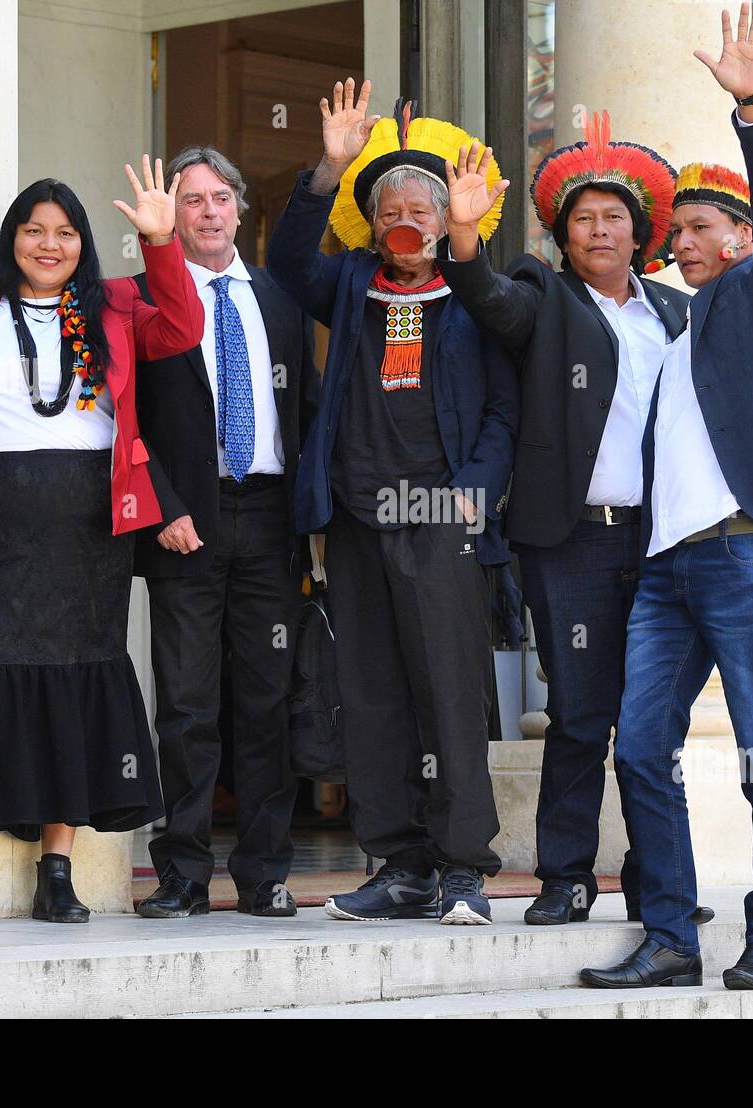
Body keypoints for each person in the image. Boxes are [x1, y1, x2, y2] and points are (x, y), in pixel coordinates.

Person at [0, 158, 203, 925]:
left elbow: (184, 327)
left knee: (79, 680)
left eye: (65, 233)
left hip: (90, 522)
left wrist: (162, 244)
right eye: (35, 230)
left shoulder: (117, 306)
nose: (49, 244)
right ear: (13, 238)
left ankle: (58, 869)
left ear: (83, 245)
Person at [580, 3, 753, 990]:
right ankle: (672, 934)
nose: (678, 241)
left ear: (739, 241)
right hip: (667, 570)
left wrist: (752, 110)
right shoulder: (672, 332)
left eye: (697, 229)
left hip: (746, 552)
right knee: (638, 748)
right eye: (672, 230)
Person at [438, 106, 706, 927]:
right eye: (583, 218)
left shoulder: (675, 314)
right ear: (563, 234)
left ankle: (660, 885)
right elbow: (484, 297)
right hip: (574, 542)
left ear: (640, 234)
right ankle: (566, 879)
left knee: (653, 724)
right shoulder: (541, 296)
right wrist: (463, 231)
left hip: (663, 542)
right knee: (583, 714)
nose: (599, 230)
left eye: (614, 218)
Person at [267, 78, 519, 925]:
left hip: (440, 521)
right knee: (369, 694)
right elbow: (289, 263)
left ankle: (460, 868)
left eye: (422, 207)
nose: (403, 221)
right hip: (356, 518)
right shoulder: (348, 285)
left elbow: (500, 415)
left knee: (448, 693)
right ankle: (399, 861)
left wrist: (470, 501)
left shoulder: (477, 294)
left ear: (448, 218)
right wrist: (327, 171)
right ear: (371, 223)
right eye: (389, 209)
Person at [132, 146, 317, 920]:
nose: (207, 211)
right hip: (188, 523)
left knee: (268, 700)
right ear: (173, 215)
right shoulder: (144, 297)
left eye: (219, 198)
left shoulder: (278, 296)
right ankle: (180, 871)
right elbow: (129, 419)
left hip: (271, 518)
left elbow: (303, 403)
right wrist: (165, 505)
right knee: (186, 702)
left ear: (241, 209)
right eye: (191, 200)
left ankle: (265, 873)